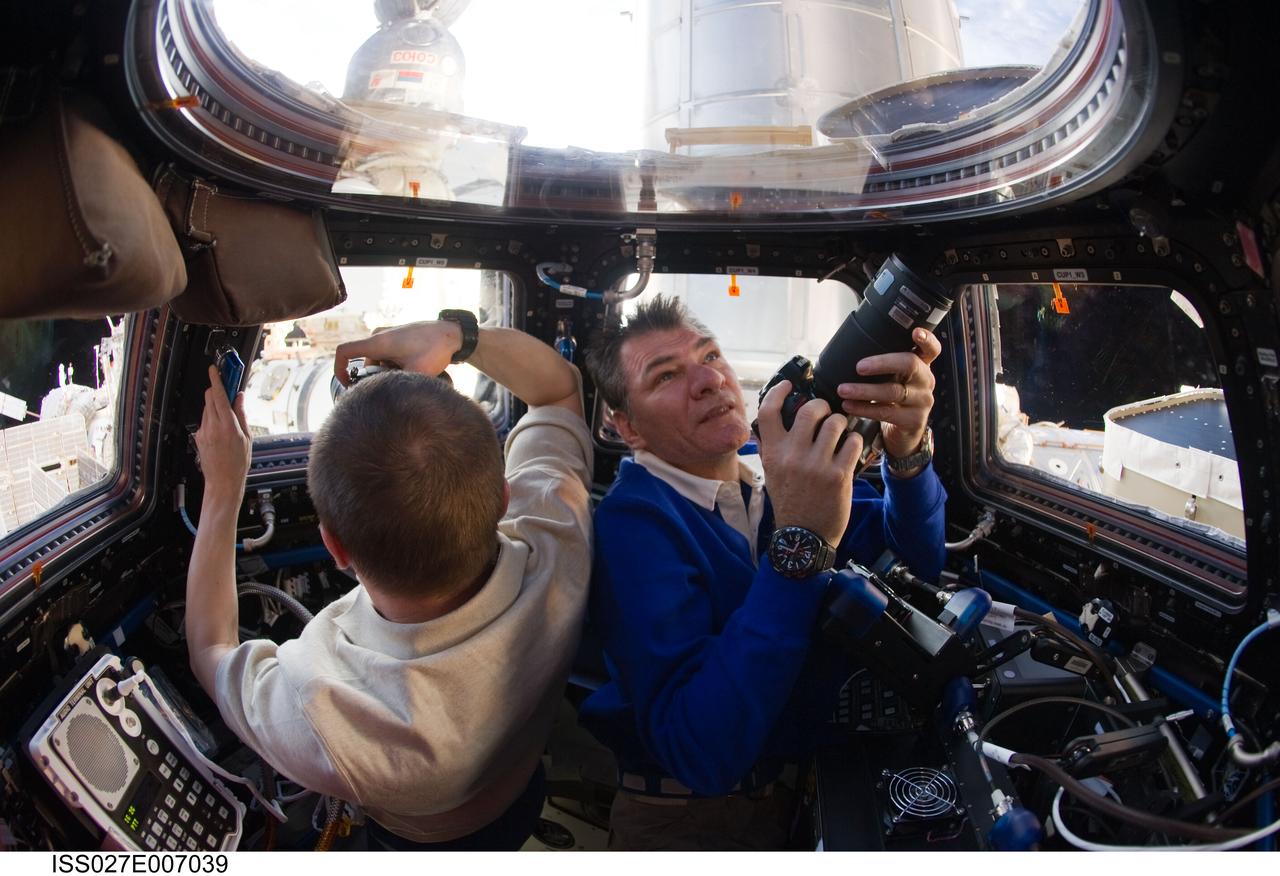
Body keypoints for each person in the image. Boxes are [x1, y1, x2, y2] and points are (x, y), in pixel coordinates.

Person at [185, 316, 593, 850]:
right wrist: (456, 338)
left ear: (334, 548)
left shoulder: (318, 720)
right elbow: (558, 390)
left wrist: (222, 488)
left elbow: (209, 650)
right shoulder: (558, 542)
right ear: (502, 498)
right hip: (518, 799)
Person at [580, 296, 947, 850]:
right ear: (628, 428)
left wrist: (907, 448)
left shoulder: (769, 473)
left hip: (793, 790)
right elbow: (700, 751)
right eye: (666, 376)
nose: (708, 380)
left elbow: (915, 561)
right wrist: (801, 542)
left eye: (710, 356)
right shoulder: (633, 524)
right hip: (687, 819)